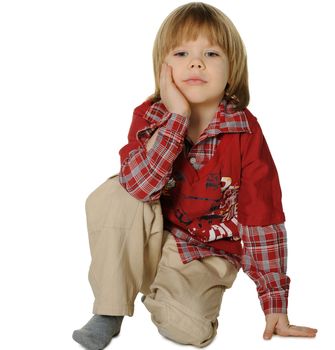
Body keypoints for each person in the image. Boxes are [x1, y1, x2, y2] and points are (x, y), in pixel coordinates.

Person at [72, 2, 318, 349]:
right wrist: (177, 117)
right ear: (163, 67)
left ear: (232, 69)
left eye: (212, 53)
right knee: (115, 193)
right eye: (182, 52)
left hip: (205, 250)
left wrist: (273, 301)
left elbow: (262, 214)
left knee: (187, 330)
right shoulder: (149, 116)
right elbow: (141, 187)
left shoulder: (245, 131)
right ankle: (109, 308)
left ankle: (160, 287)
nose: (196, 62)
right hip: (150, 231)